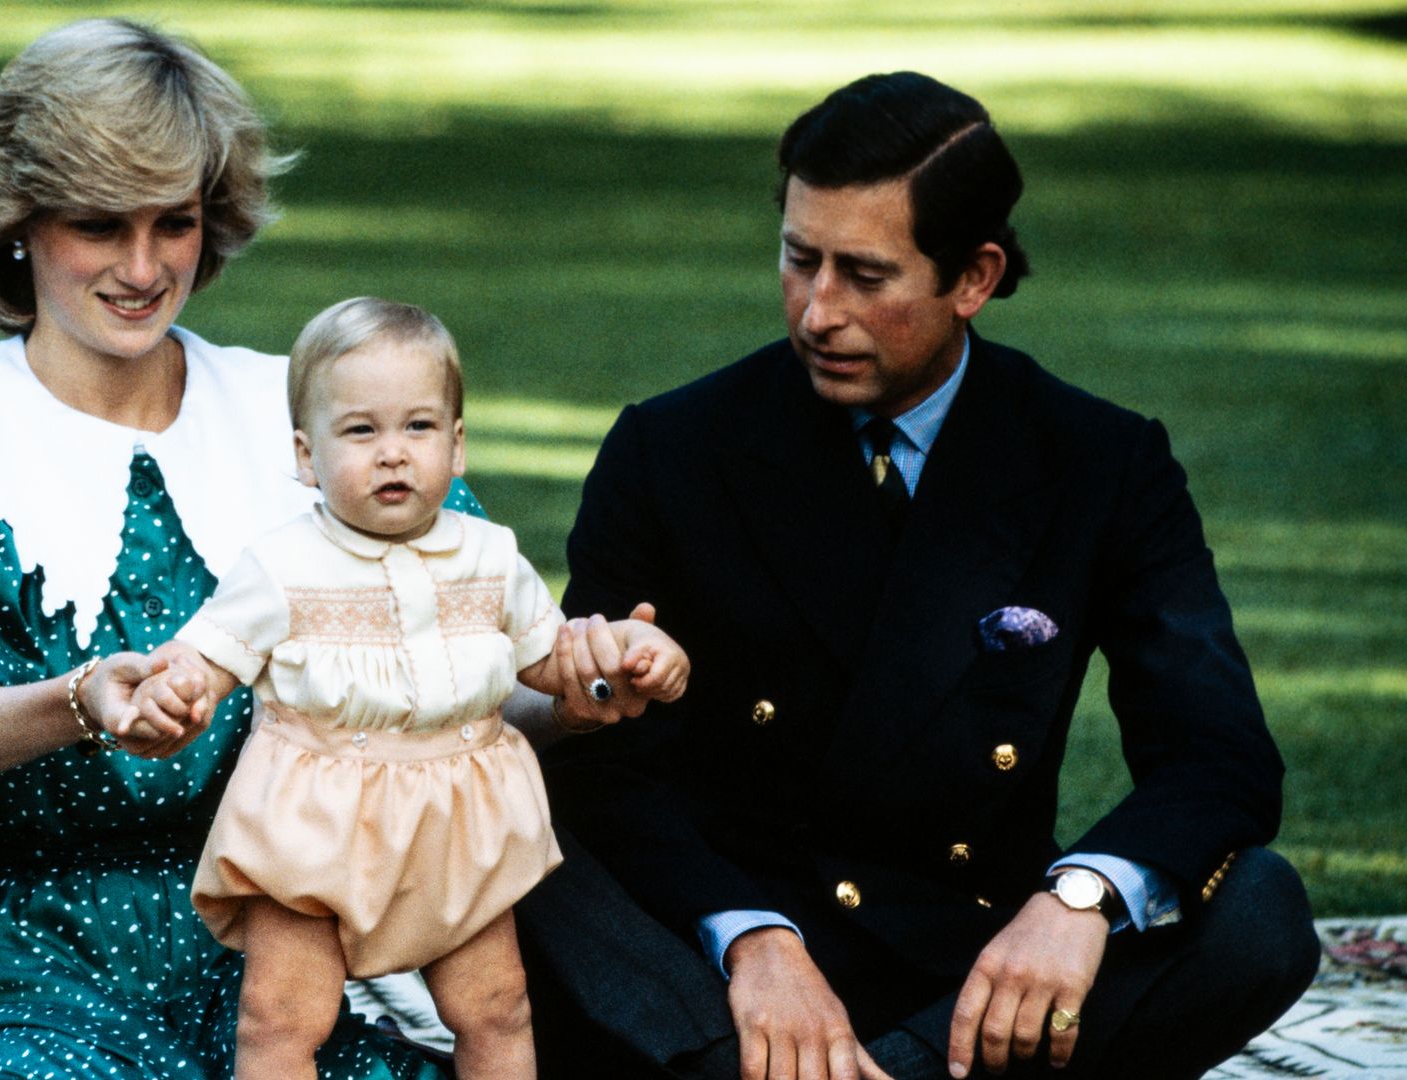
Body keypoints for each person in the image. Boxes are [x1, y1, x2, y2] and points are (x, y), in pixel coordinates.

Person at [0, 20, 564, 1079]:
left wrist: (577, 692)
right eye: (100, 225)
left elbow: (455, 674)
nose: (145, 268)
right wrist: (82, 699)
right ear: (18, 225)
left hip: (274, 949)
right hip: (23, 957)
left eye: (176, 224)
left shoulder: (311, 420)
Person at [514, 71, 1320, 1080]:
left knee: (1259, 910)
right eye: (798, 259)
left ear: (973, 278)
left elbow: (1220, 753)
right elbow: (606, 770)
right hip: (717, 969)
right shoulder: (671, 448)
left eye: (865, 275)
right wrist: (753, 937)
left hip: (960, 974)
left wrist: (1079, 901)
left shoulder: (1099, 463)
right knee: (503, 810)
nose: (816, 312)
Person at [129, 296, 690, 1080]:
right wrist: (175, 685)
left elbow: (554, 661)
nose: (393, 453)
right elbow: (207, 655)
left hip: (458, 815)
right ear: (305, 455)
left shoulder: (490, 557)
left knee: (496, 1006)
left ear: (457, 447)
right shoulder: (282, 566)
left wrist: (627, 650)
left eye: (418, 427)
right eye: (360, 430)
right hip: (313, 816)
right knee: (282, 1016)